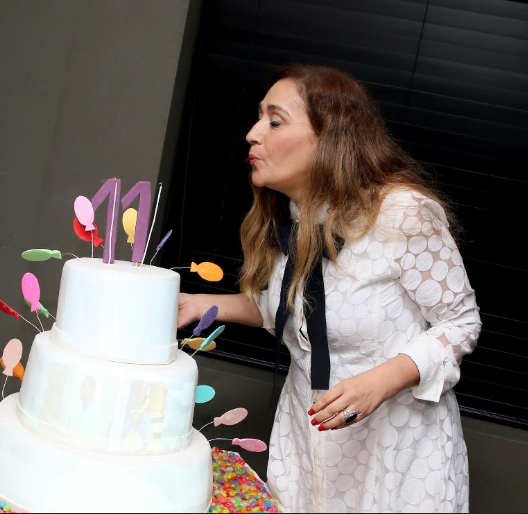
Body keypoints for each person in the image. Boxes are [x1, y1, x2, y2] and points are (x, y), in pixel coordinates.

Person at [177, 64, 481, 513]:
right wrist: (198, 304)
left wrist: (382, 380)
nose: (252, 134)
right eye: (258, 117)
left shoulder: (403, 214)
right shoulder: (290, 218)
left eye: (274, 121)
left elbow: (461, 322)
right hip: (305, 445)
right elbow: (291, 313)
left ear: (329, 138)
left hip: (395, 453)